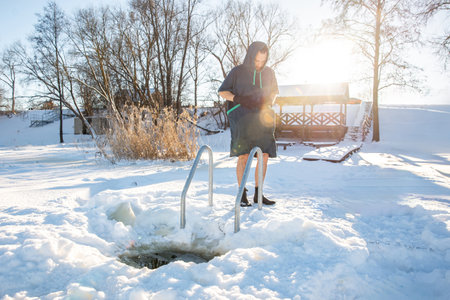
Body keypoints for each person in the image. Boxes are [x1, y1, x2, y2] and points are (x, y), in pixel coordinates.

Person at [218, 41, 278, 207]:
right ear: (250, 56)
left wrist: (267, 102)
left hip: (262, 116)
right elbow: (222, 92)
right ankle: (242, 192)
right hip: (241, 115)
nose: (259, 64)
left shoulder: (269, 73)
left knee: (264, 155)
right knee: (244, 155)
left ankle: (259, 194)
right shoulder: (238, 71)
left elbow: (274, 93)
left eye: (263, 61)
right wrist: (238, 99)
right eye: (256, 61)